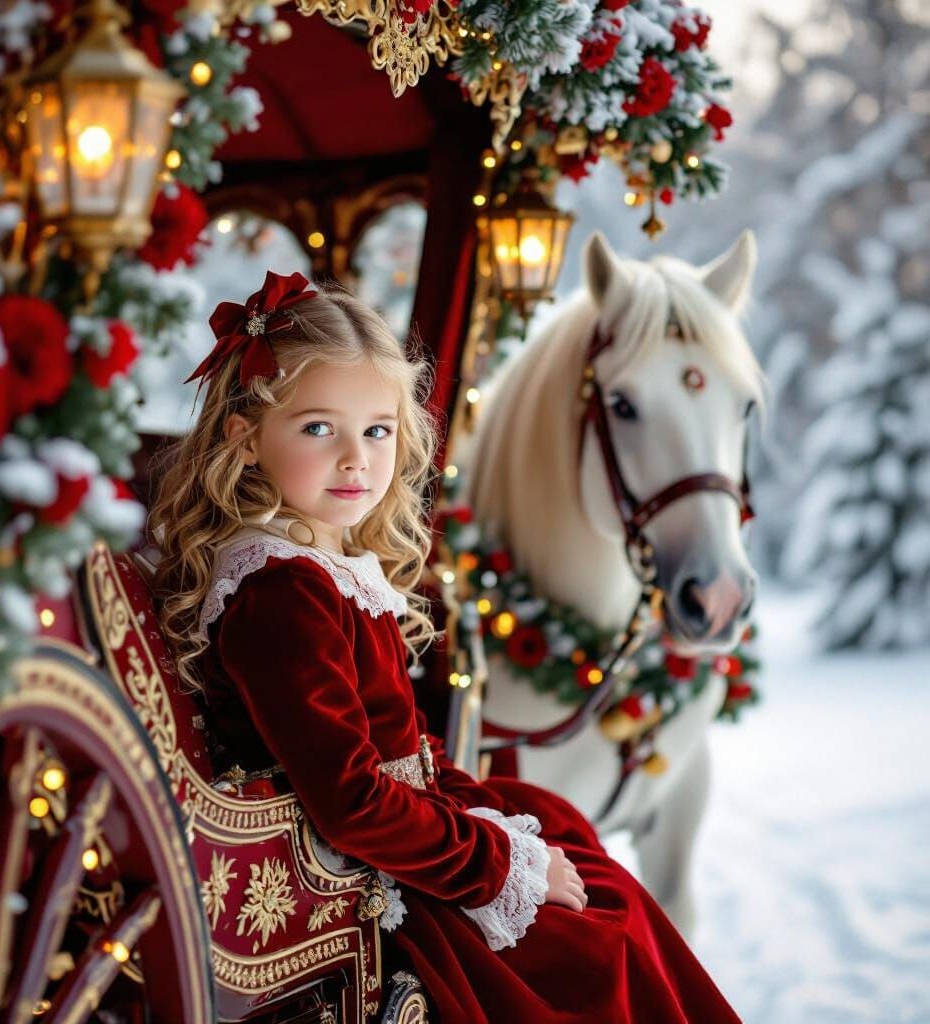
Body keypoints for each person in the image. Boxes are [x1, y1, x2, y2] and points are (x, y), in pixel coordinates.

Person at [149, 271, 743, 1023]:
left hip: (392, 829)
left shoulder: (318, 566)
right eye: (317, 428)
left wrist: (489, 819)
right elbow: (353, 801)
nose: (356, 459)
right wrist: (498, 865)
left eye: (377, 430)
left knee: (568, 837)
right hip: (346, 875)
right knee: (600, 938)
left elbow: (390, 746)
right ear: (246, 435)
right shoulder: (279, 592)